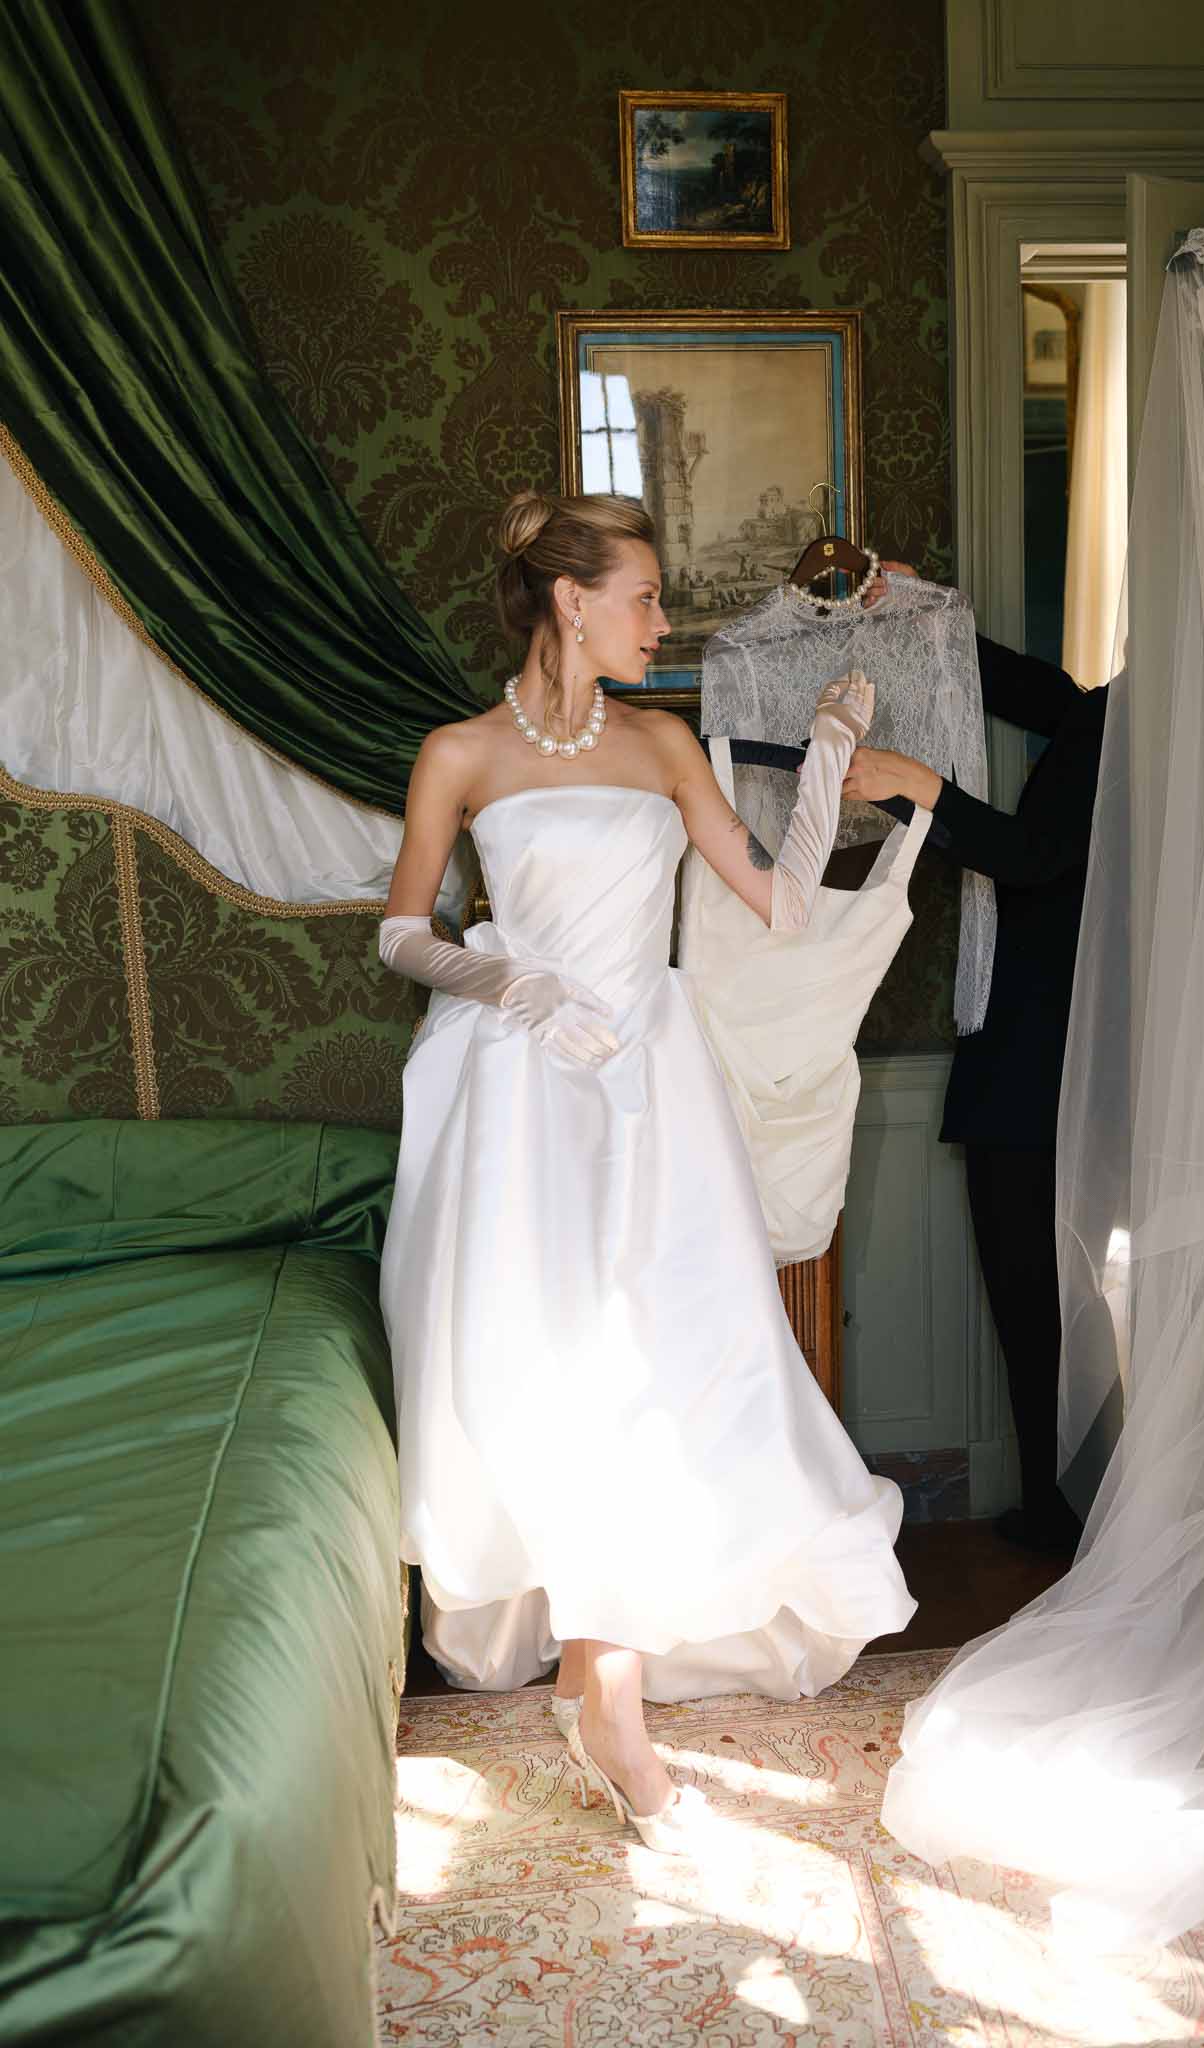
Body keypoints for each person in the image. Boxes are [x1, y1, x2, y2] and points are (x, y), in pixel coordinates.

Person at [377, 491, 915, 1851]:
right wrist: (510, 984)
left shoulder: (664, 742)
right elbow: (400, 934)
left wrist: (832, 766)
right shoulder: (461, 752)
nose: (664, 621)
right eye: (643, 596)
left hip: (650, 1086)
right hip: (519, 1090)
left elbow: (782, 907)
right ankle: (597, 1684)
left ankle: (603, 1681)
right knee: (551, 1365)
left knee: (666, 1362)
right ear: (571, 600)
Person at [843, 563, 1108, 1554]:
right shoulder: (1134, 710)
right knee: (1044, 1290)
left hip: (1043, 1042)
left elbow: (1033, 854)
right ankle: (1058, 1501)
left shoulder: (1133, 721)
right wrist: (937, 611)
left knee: (1034, 1288)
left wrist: (918, 784)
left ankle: (1062, 1508)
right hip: (1052, 1033)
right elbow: (1053, 699)